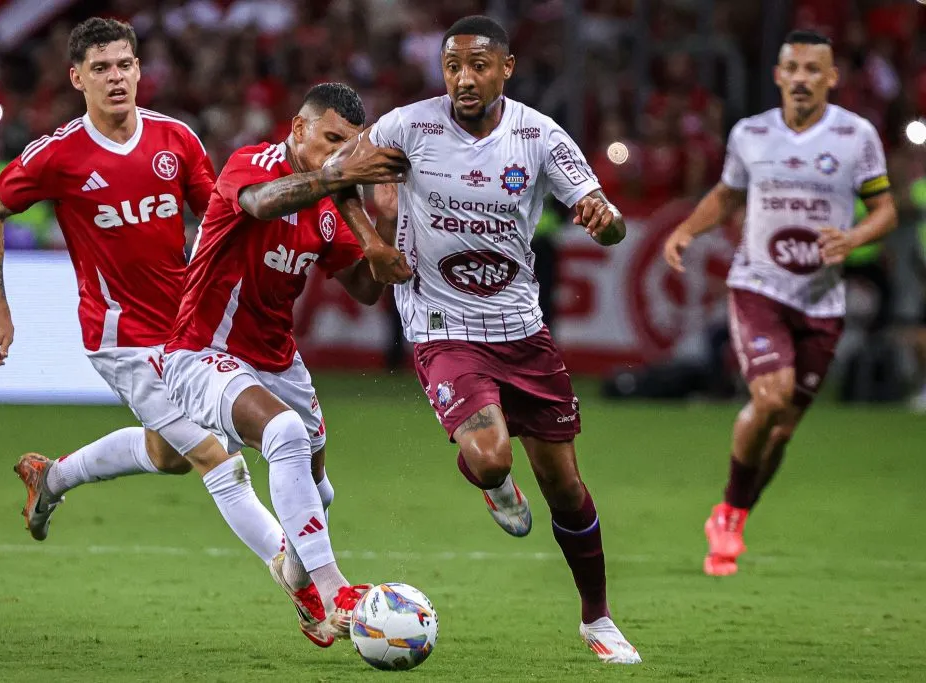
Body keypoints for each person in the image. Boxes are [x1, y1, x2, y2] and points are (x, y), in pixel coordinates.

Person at [0, 17, 318, 637]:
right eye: (101, 68)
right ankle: (307, 587)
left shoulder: (175, 140)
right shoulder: (58, 155)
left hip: (186, 332)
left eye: (125, 65)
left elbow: (220, 220)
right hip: (121, 338)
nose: (116, 78)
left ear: (138, 70)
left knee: (169, 455)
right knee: (217, 458)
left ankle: (51, 477)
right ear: (77, 78)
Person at [338, 15, 641, 663]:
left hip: (521, 329)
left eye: (478, 65)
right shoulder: (407, 127)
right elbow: (334, 175)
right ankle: (491, 478)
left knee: (565, 488)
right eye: (453, 66)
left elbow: (608, 221)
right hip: (441, 326)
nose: (464, 79)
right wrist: (373, 242)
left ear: (506, 68)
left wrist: (604, 218)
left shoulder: (539, 135)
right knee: (493, 457)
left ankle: (598, 619)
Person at [162, 82, 411, 645]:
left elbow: (365, 289)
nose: (341, 154)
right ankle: (334, 588)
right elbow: (260, 203)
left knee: (320, 491)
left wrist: (386, 221)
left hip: (278, 360)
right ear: (298, 129)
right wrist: (339, 176)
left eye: (350, 145)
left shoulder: (331, 206)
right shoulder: (253, 163)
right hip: (202, 351)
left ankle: (296, 576)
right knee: (284, 434)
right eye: (331, 139)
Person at [663, 30, 897, 577]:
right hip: (759, 287)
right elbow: (728, 194)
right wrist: (687, 230)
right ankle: (729, 515)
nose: (801, 78)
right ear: (777, 75)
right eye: (792, 68)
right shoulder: (751, 133)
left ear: (831, 78)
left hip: (821, 300)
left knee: (783, 430)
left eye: (813, 69)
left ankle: (733, 513)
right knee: (771, 398)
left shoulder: (856, 135)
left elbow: (885, 210)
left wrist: (854, 239)